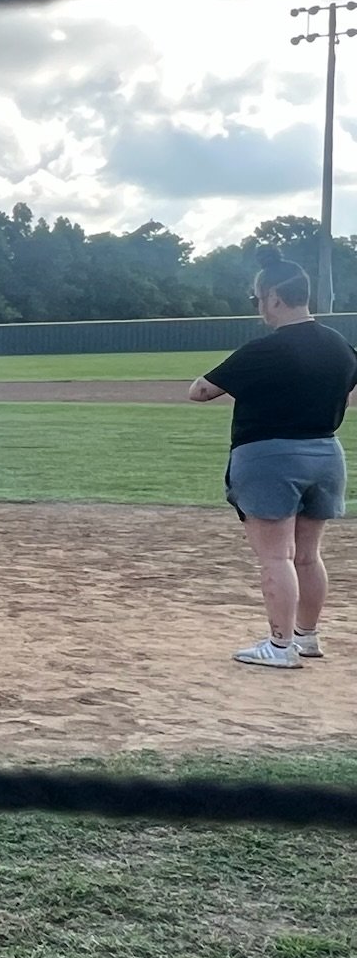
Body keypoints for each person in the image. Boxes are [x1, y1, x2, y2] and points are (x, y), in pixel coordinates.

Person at [188, 248, 357, 669]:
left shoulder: (265, 349)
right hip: (325, 453)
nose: (258, 307)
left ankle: (279, 647)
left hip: (269, 456)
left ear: (274, 298)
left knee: (276, 557)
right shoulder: (340, 345)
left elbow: (200, 390)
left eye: (256, 298)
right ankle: (307, 637)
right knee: (308, 554)